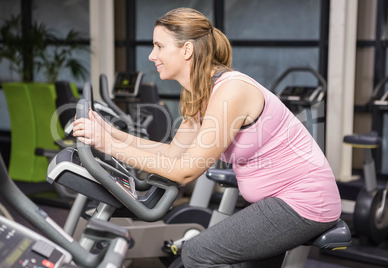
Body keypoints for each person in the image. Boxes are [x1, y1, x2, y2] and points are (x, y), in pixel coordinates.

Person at [73, 7, 341, 268]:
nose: (152, 55)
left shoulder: (231, 90)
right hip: (274, 202)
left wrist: (108, 145)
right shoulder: (199, 93)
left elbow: (185, 171)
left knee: (197, 253)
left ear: (187, 50)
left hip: (303, 202)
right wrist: (110, 133)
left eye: (159, 46)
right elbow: (172, 153)